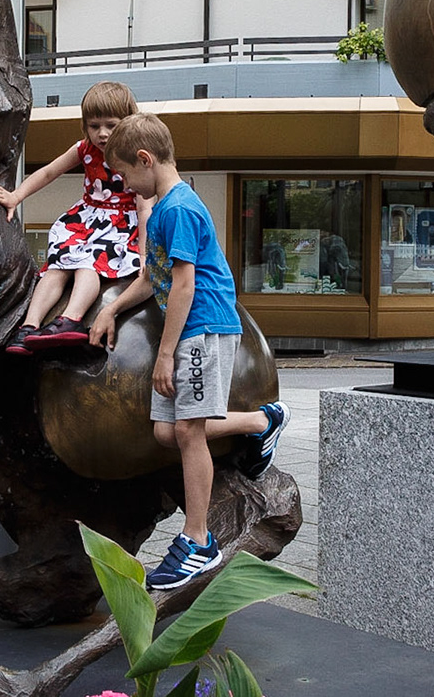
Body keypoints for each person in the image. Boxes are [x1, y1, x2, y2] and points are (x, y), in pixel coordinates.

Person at [88, 112, 288, 591]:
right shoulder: (162, 208)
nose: (126, 185)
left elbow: (182, 286)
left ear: (145, 159)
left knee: (189, 430)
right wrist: (111, 309)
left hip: (202, 326)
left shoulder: (178, 209)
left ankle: (197, 541)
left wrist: (165, 355)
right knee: (166, 432)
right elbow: (149, 280)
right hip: (190, 328)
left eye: (126, 176)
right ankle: (263, 421)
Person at [0, 81, 147, 353]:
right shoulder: (84, 150)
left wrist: (144, 254)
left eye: (111, 125)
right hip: (86, 220)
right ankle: (29, 326)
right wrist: (16, 195)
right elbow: (49, 172)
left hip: (119, 226)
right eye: (94, 126)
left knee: (87, 263)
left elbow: (145, 209)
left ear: (128, 122)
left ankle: (71, 318)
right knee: (56, 266)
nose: (102, 133)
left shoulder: (135, 158)